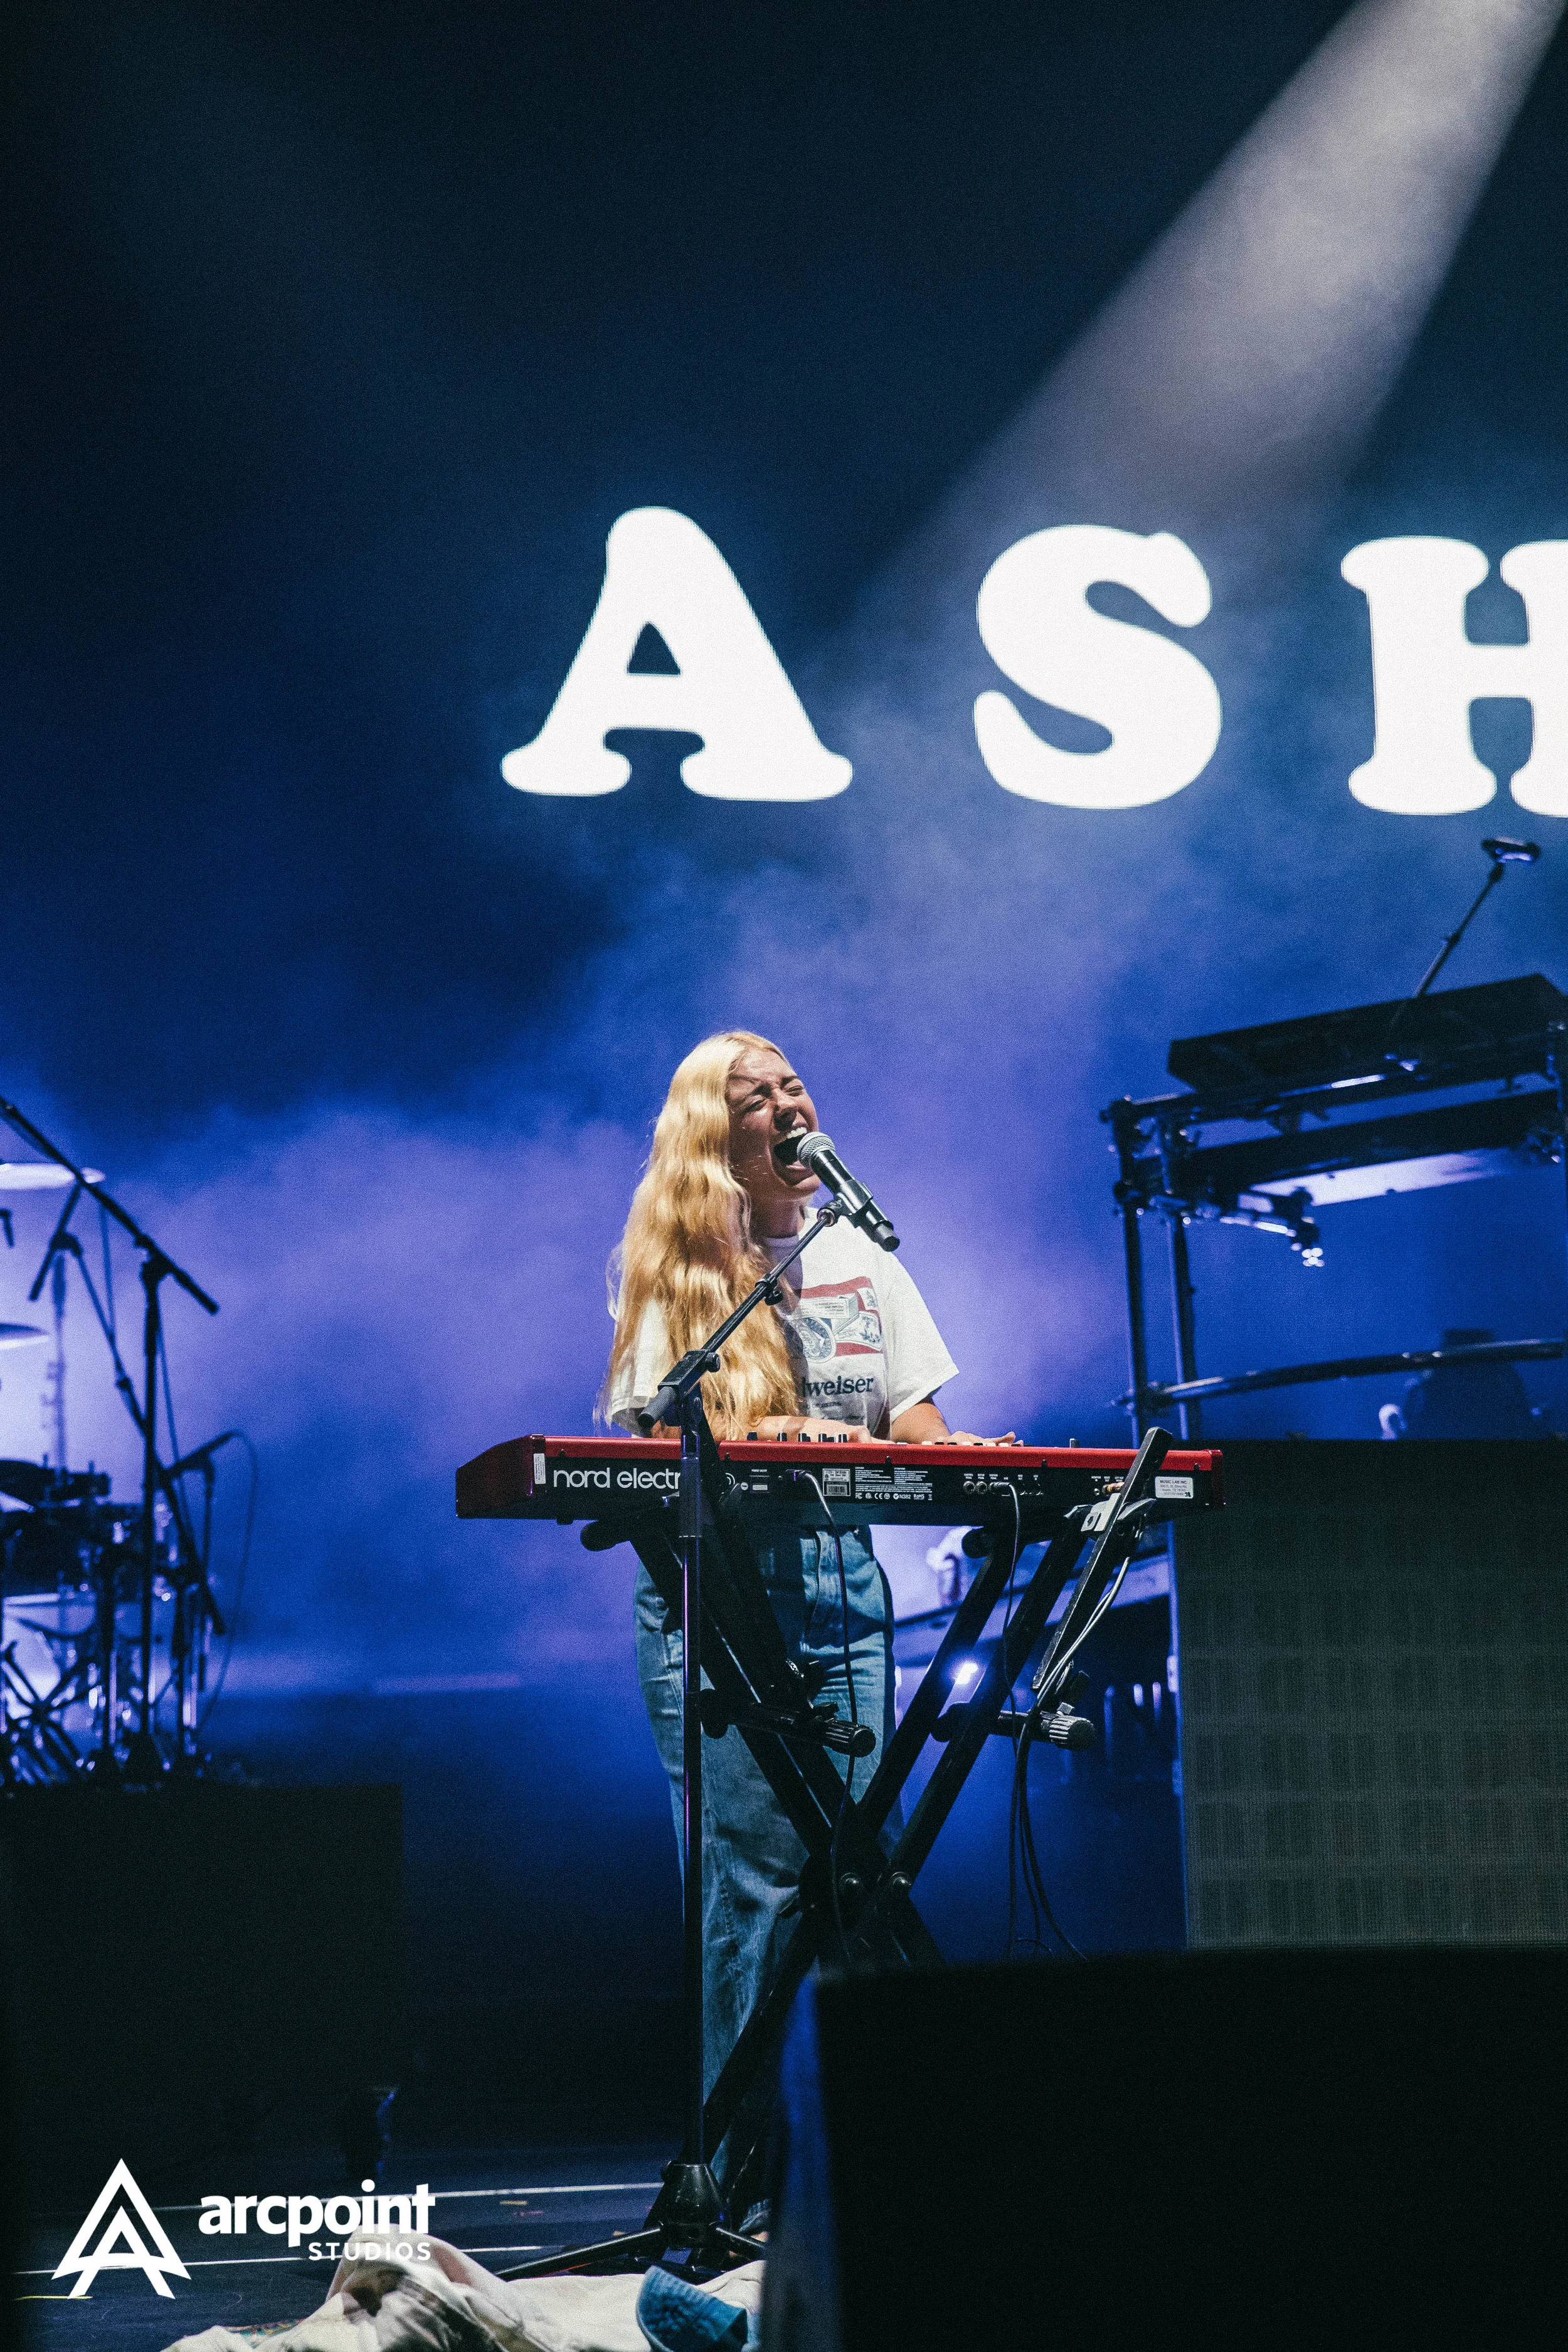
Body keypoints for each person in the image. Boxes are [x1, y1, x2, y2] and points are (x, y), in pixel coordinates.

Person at [604, 1029, 1009, 2228]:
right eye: (754, 1094)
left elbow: (917, 1420)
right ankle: (732, 2184)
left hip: (844, 1592)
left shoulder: (860, 1249)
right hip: (722, 1597)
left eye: (792, 1082)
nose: (786, 1102)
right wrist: (759, 1436)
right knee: (757, 1886)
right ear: (713, 1134)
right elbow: (653, 1433)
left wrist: (962, 1454)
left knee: (845, 1877)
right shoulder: (674, 1265)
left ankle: (838, 2174)